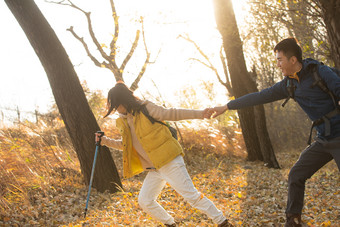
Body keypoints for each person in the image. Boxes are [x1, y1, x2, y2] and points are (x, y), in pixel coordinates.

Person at [210, 38, 340, 227]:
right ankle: (293, 222)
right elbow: (260, 96)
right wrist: (227, 106)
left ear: (293, 60)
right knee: (296, 175)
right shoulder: (288, 85)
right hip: (324, 139)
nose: (278, 64)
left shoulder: (319, 72)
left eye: (280, 60)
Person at [95, 82, 233, 227]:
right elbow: (126, 145)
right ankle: (170, 224)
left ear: (123, 100)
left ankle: (223, 223)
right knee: (145, 200)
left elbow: (172, 113)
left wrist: (200, 113)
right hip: (155, 168)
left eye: (116, 104)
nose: (116, 108)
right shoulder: (126, 120)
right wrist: (104, 141)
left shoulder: (146, 108)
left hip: (170, 161)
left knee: (192, 196)